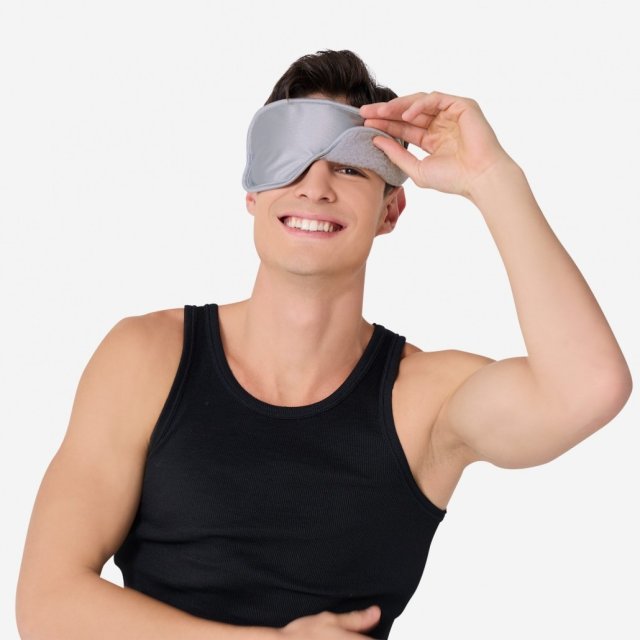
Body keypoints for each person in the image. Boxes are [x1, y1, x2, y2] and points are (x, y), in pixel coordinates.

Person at [16, 49, 632, 640]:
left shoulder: (425, 403)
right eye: (290, 161)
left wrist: (492, 179)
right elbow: (46, 602)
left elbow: (589, 387)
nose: (315, 187)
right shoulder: (145, 358)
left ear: (391, 211)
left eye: (349, 166)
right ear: (253, 193)